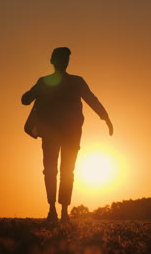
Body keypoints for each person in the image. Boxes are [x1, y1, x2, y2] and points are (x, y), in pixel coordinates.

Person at [21, 47, 113, 222]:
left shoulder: (47, 82)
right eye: (65, 58)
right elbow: (92, 99)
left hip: (61, 133)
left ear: (52, 61)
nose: (66, 61)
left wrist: (105, 117)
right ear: (61, 61)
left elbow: (25, 100)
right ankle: (58, 211)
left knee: (56, 171)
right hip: (64, 133)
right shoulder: (74, 82)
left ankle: (56, 211)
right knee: (61, 171)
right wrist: (105, 117)